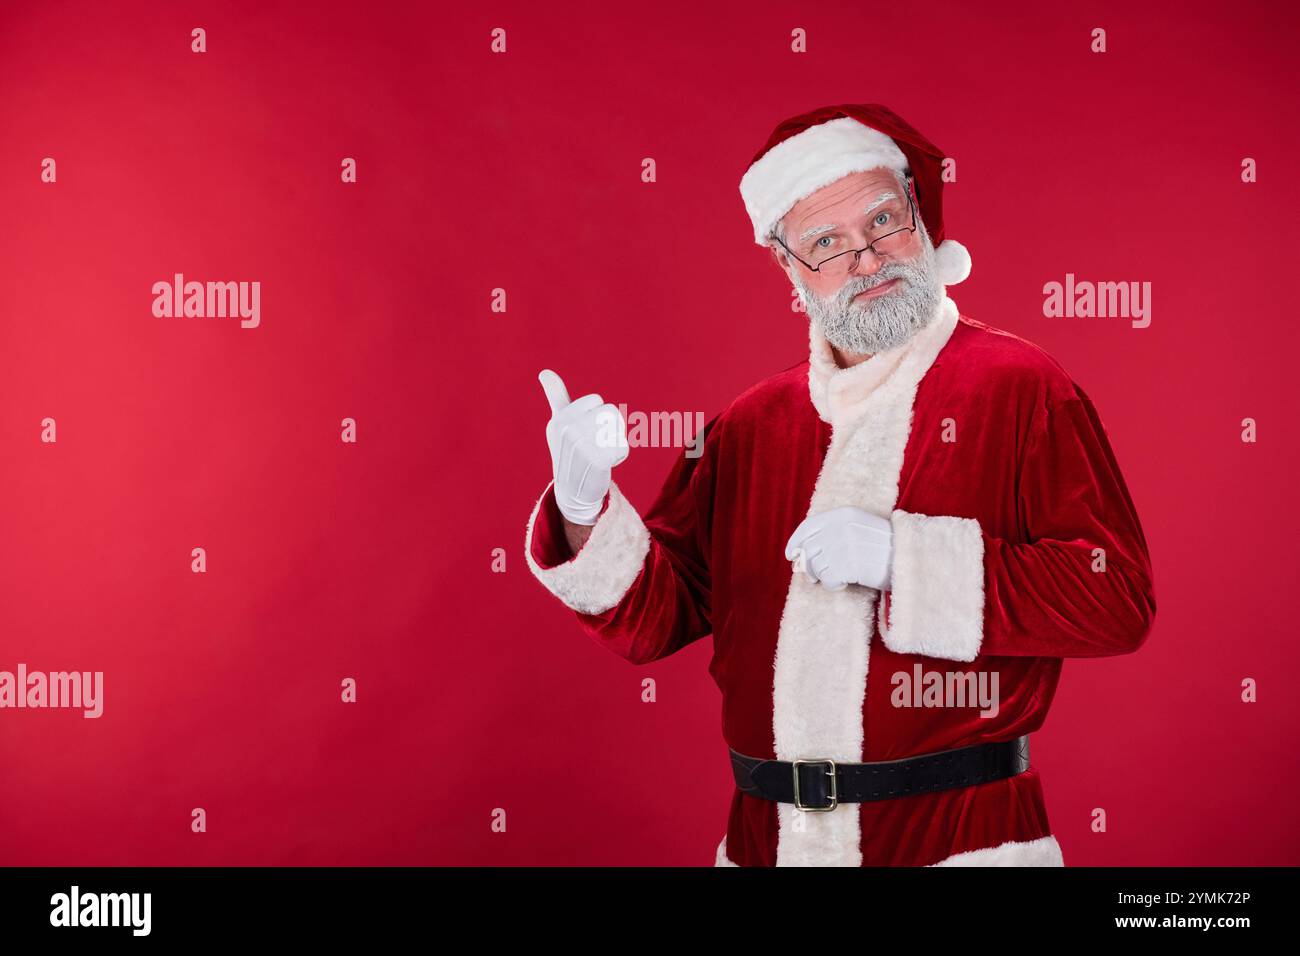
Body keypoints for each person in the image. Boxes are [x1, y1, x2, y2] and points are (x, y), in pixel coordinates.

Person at [523, 103, 1156, 867]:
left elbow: (1116, 599)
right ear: (790, 270)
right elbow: (659, 617)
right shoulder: (748, 424)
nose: (867, 258)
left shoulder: (1022, 388)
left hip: (961, 840)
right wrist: (585, 506)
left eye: (884, 221)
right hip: (767, 844)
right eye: (828, 242)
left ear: (921, 223)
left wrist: (907, 560)